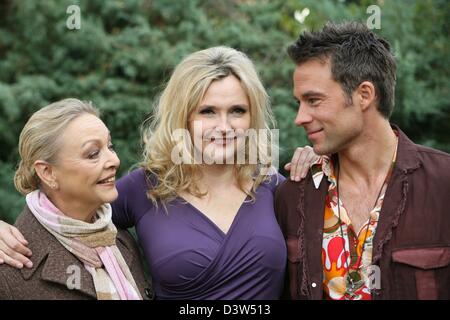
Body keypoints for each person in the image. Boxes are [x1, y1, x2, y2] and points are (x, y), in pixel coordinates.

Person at [0, 47, 317, 299]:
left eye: (237, 111)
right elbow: (60, 212)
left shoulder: (275, 187)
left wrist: (325, 160)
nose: (224, 127)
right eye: (207, 111)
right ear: (184, 117)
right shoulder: (145, 188)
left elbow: (343, 224)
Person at [275, 21, 450, 300]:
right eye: (299, 102)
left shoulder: (443, 185)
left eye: (313, 100)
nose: (300, 117)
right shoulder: (293, 193)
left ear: (364, 95)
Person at [0, 99, 152, 300]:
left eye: (110, 146)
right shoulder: (10, 270)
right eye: (93, 154)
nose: (114, 160)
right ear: (47, 172)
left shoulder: (118, 238)